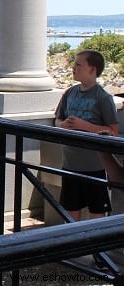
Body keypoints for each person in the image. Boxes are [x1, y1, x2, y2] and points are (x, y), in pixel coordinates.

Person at [54, 50, 118, 222]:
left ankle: (96, 250)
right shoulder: (69, 93)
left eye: (78, 64)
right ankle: (73, 248)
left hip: (94, 167)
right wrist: (63, 125)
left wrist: (85, 126)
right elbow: (58, 120)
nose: (73, 68)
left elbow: (113, 130)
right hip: (69, 164)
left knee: (97, 213)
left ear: (92, 69)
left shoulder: (103, 98)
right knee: (70, 212)